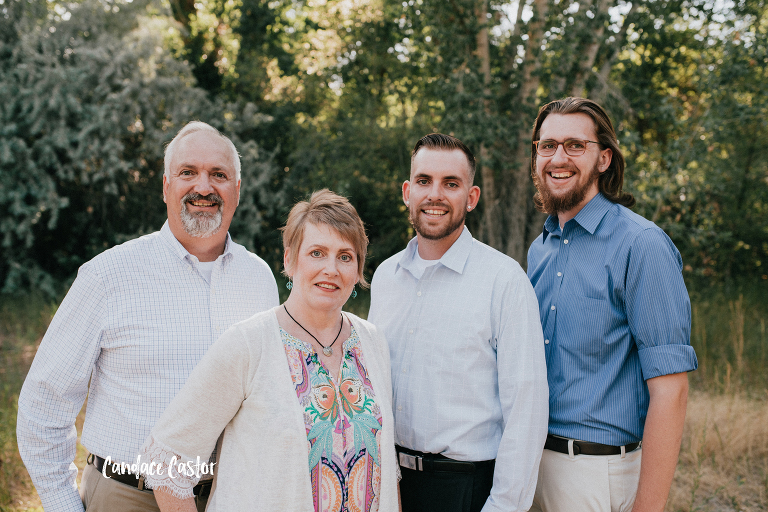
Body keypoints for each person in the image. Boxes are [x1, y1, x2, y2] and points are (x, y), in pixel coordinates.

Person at [16, 121, 279, 512]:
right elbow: (45, 403)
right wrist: (64, 505)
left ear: (236, 190)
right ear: (165, 187)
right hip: (127, 494)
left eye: (218, 175)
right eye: (188, 172)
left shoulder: (259, 279)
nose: (203, 187)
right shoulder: (109, 276)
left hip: (232, 496)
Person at [138, 189, 400, 512]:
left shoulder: (373, 342)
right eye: (317, 253)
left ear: (358, 268)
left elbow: (386, 471)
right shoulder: (249, 344)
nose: (331, 269)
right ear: (289, 259)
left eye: (345, 256)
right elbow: (166, 461)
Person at [526, 97, 698, 512]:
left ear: (604, 158)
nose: (557, 157)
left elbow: (671, 391)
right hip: (530, 468)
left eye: (574, 145)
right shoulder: (539, 249)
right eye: (547, 145)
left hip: (597, 475)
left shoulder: (641, 245)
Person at [368, 133, 549, 512]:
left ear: (471, 197)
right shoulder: (386, 276)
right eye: (424, 181)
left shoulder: (504, 281)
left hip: (464, 488)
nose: (435, 194)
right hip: (387, 483)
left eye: (450, 183)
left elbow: (527, 412)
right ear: (407, 191)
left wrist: (504, 506)